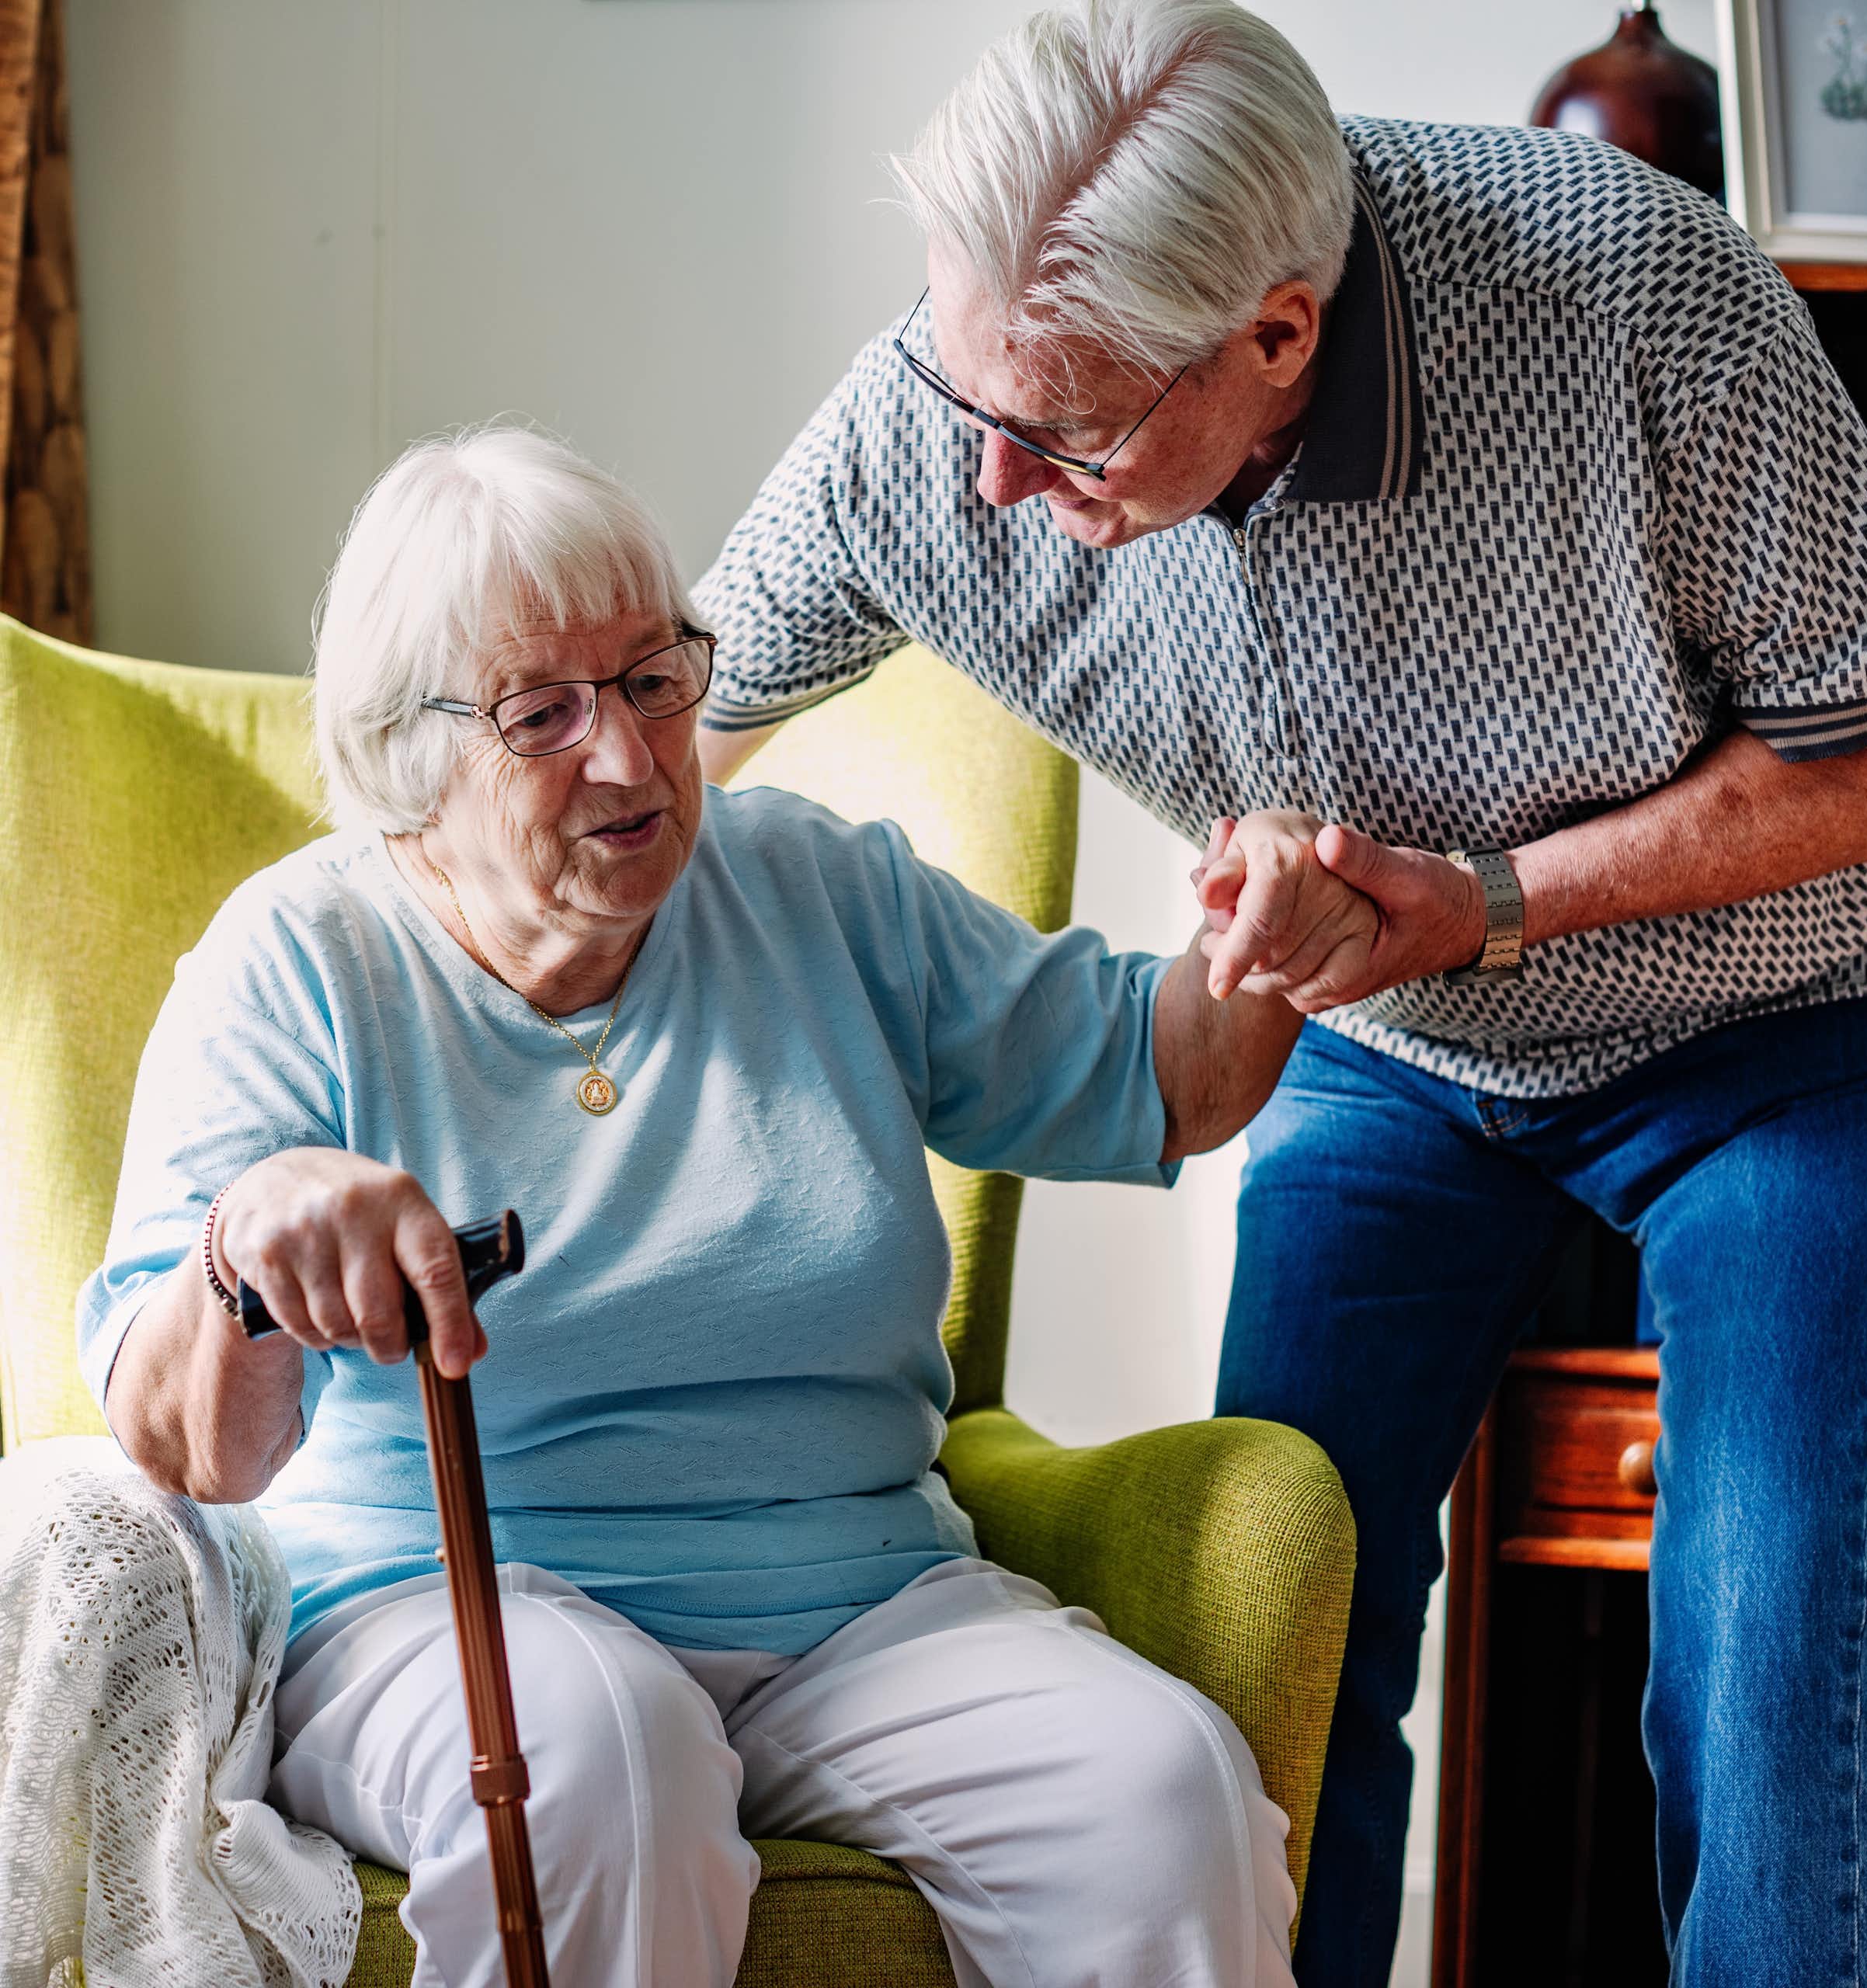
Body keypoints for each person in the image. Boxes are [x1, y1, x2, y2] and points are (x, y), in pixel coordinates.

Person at [690, 3, 1867, 1983]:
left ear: (1276, 335)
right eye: (963, 386)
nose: (983, 477)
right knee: (1281, 1586)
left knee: (1757, 1620)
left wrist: (1483, 899)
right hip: (1402, 1051)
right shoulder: (965, 412)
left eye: (1062, 431)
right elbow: (647, 718)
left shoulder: (1630, 294)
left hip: (1792, 1026)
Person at [78, 425, 1307, 1988]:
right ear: (407, 751)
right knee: (604, 1756)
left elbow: (1158, 1075)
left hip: (859, 1605)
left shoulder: (813, 888)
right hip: (435, 1610)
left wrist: (1264, 911)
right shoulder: (297, 961)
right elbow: (188, 1447)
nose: (630, 756)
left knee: (1157, 1789)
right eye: (543, 712)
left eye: (655, 678)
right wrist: (245, 1244)